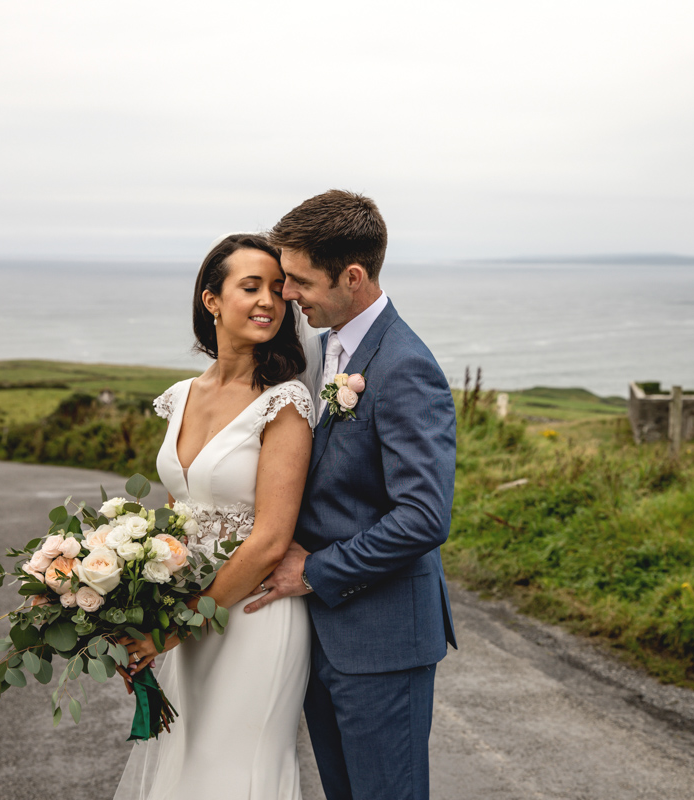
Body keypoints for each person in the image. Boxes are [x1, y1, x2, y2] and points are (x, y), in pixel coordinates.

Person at [245, 190, 458, 800]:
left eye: (299, 280)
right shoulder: (324, 348)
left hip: (383, 641)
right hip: (327, 639)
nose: (287, 294)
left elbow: (423, 517)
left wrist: (314, 571)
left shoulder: (405, 366)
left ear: (354, 276)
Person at [113, 233, 322, 800]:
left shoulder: (285, 402)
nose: (269, 302)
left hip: (250, 616)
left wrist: (172, 628)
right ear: (211, 300)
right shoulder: (181, 396)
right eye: (250, 287)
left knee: (237, 772)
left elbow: (272, 540)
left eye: (278, 291)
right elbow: (182, 514)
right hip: (187, 614)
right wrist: (127, 586)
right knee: (187, 769)